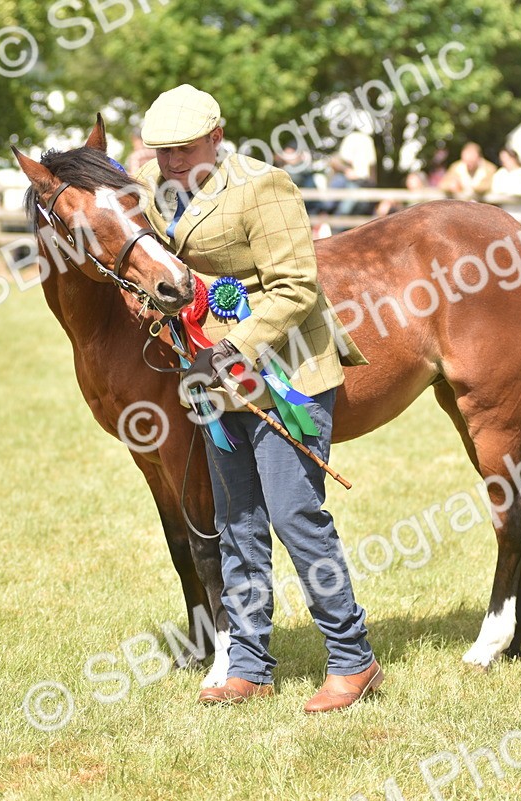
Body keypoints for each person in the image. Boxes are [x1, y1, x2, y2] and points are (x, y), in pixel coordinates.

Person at [135, 84, 382, 713]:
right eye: (161, 152)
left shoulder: (262, 187)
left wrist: (236, 345)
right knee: (236, 521)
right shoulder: (152, 184)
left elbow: (297, 287)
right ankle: (248, 663)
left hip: (285, 371)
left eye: (183, 150)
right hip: (210, 377)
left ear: (217, 138)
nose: (169, 163)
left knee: (295, 517)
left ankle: (354, 659)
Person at [490, 147, 521, 220]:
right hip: (505, 213)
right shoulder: (500, 173)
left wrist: (505, 191)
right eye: (502, 159)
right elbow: (495, 189)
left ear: (513, 158)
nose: (503, 161)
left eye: (506, 158)